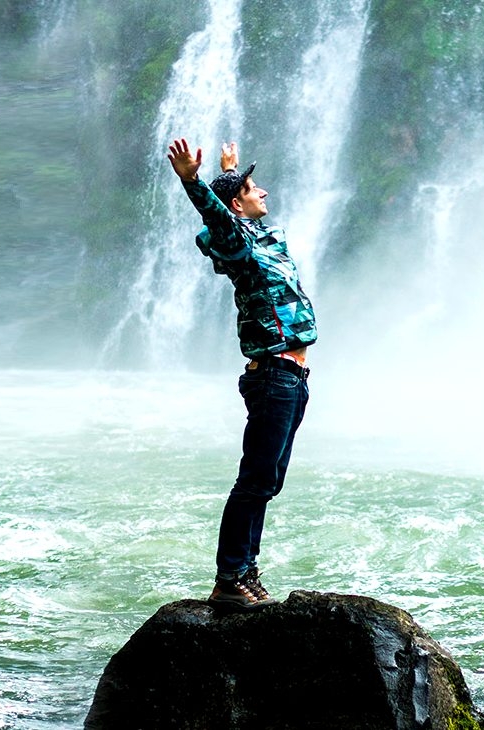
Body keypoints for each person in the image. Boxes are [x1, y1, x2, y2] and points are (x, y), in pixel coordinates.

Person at [166, 138, 317, 609]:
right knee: (254, 480)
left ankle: (245, 569)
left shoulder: (265, 239)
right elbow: (218, 224)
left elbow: (235, 219)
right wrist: (195, 183)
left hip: (291, 378)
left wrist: (231, 174)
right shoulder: (239, 247)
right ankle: (229, 578)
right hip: (273, 375)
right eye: (255, 188)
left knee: (267, 481)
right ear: (236, 205)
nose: (265, 191)